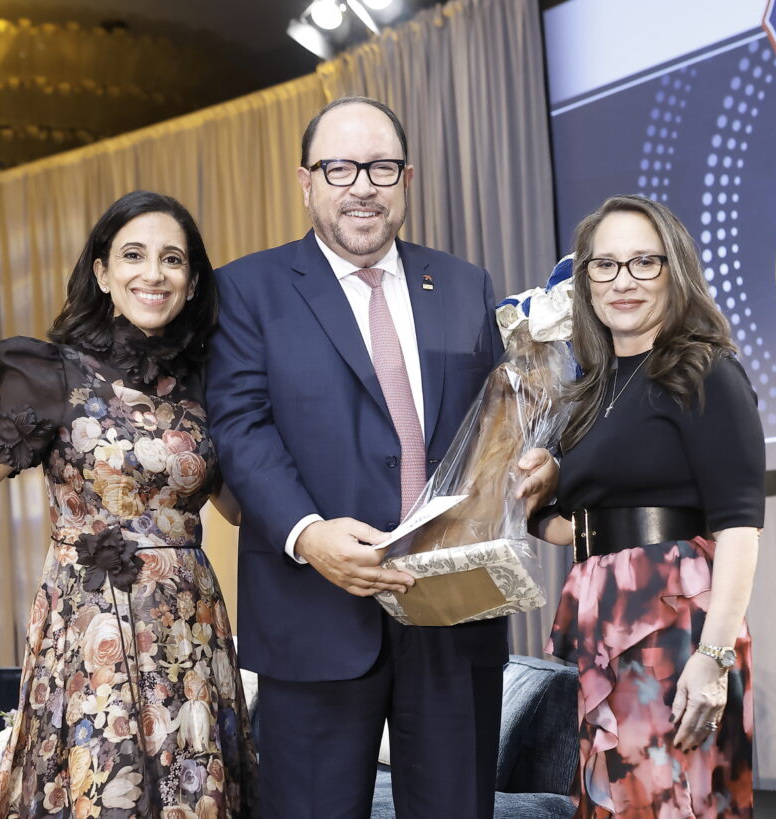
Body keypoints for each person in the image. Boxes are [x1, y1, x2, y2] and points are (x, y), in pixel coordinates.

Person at [206, 96, 557, 819]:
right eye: (340, 168)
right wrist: (307, 533)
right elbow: (239, 428)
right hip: (314, 612)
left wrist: (538, 455)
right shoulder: (248, 290)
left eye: (381, 167)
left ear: (407, 178)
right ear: (306, 182)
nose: (362, 184)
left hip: (454, 616)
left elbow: (502, 418)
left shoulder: (464, 284)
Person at [0, 191, 258, 818]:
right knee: (105, 792)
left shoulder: (206, 380)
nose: (153, 274)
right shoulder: (53, 372)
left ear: (192, 283)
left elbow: (240, 509)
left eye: (173, 260)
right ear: (102, 274)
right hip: (90, 627)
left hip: (188, 629)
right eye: (133, 255)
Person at [535, 195, 763, 817]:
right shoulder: (588, 391)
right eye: (604, 266)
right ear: (584, 281)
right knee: (613, 803)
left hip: (677, 627)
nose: (623, 281)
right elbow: (577, 527)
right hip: (597, 620)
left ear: (675, 269)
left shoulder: (705, 369)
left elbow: (741, 528)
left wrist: (713, 660)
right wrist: (529, 500)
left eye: (643, 263)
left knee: (672, 803)